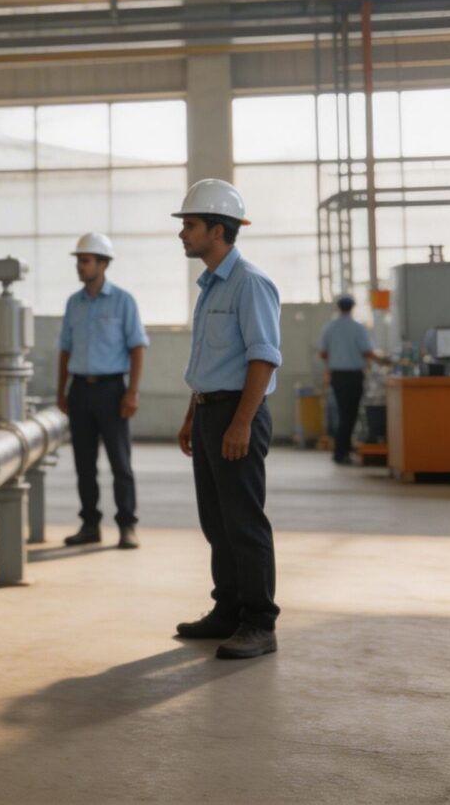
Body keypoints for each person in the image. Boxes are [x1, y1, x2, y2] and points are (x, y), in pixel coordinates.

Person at [172, 180, 281, 660]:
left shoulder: (250, 283)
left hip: (239, 413)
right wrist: (191, 415)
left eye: (190, 225)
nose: (182, 234)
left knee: (244, 522)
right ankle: (227, 610)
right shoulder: (211, 285)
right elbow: (210, 361)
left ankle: (259, 622)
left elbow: (263, 359)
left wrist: (240, 423)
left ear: (218, 230)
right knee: (216, 522)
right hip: (209, 410)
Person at [56, 232, 148, 551]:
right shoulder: (73, 303)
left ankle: (127, 526)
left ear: (103, 264)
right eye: (79, 261)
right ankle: (90, 525)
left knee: (120, 464)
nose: (80, 267)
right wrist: (62, 390)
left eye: (85, 261)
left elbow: (137, 349)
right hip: (80, 390)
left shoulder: (124, 301)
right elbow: (65, 350)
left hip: (112, 391)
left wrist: (132, 392)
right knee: (84, 464)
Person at [319, 294, 390, 465]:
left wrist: (333, 363)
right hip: (353, 376)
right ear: (352, 308)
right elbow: (367, 351)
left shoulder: (329, 328)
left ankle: (343, 450)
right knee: (349, 415)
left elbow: (322, 353)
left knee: (342, 413)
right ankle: (341, 453)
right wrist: (384, 361)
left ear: (338, 308)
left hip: (337, 375)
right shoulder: (358, 328)